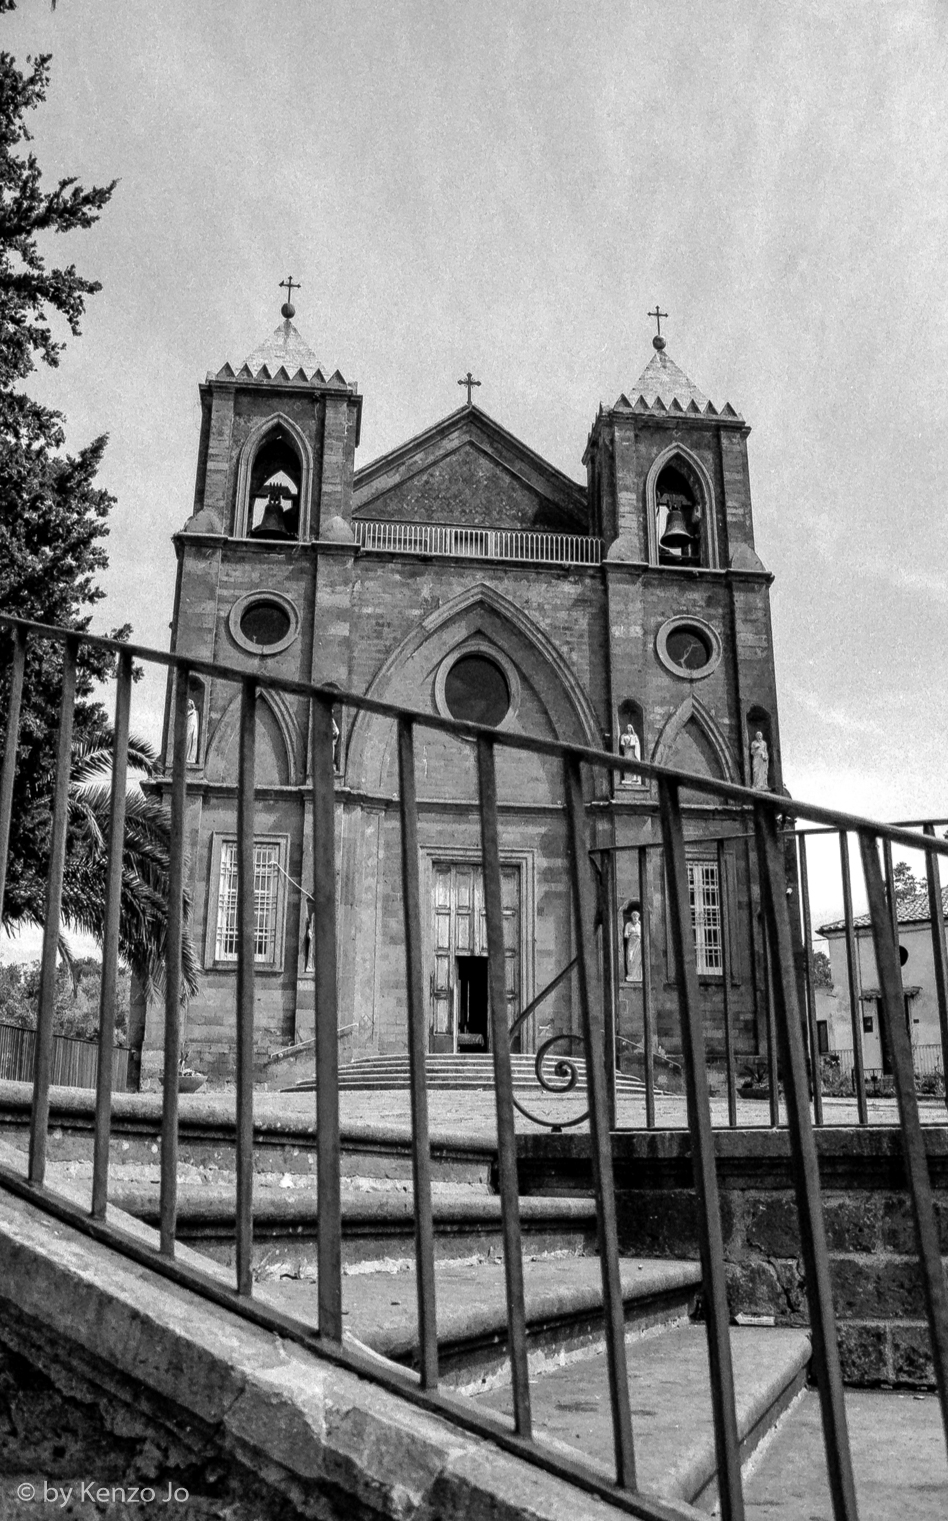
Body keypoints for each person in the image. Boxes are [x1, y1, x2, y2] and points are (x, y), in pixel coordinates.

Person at [623, 908, 643, 982]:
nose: (635, 918)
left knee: (638, 959)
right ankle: (631, 975)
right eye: (634, 917)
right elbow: (625, 935)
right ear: (632, 917)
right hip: (631, 943)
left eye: (636, 917)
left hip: (638, 944)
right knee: (630, 958)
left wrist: (639, 935)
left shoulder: (640, 924)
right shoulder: (628, 924)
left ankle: (637, 977)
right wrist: (629, 934)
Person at [618, 722, 641, 786]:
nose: (629, 729)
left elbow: (637, 744)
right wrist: (625, 747)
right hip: (627, 751)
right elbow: (622, 744)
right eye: (628, 727)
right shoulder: (623, 736)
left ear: (632, 728)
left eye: (630, 727)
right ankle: (627, 778)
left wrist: (633, 746)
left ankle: (634, 778)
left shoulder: (634, 736)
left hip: (633, 752)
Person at [185, 698, 199, 763]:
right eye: (187, 704)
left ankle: (190, 757)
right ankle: (186, 756)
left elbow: (195, 721)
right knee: (187, 740)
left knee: (190, 740)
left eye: (189, 704)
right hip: (188, 726)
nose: (188, 705)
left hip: (192, 727)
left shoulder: (194, 712)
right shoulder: (187, 712)